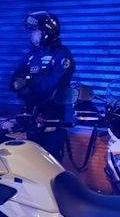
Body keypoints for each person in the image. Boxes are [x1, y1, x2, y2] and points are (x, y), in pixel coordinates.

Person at [10, 11, 75, 161]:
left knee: (49, 163)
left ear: (46, 32)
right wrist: (21, 85)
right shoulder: (32, 55)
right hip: (31, 118)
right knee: (30, 162)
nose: (33, 35)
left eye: (35, 31)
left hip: (53, 120)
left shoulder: (62, 54)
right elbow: (13, 81)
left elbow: (54, 84)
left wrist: (27, 84)